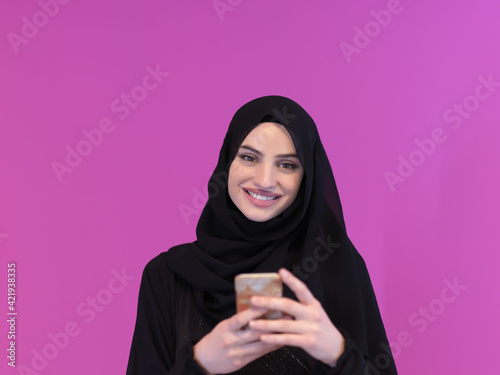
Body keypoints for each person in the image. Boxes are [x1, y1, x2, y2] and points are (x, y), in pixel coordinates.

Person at [126, 96, 398, 374]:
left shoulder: (336, 264)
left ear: (307, 178)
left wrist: (338, 354)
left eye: (287, 165)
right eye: (249, 157)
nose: (265, 181)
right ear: (227, 162)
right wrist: (200, 364)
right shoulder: (168, 276)